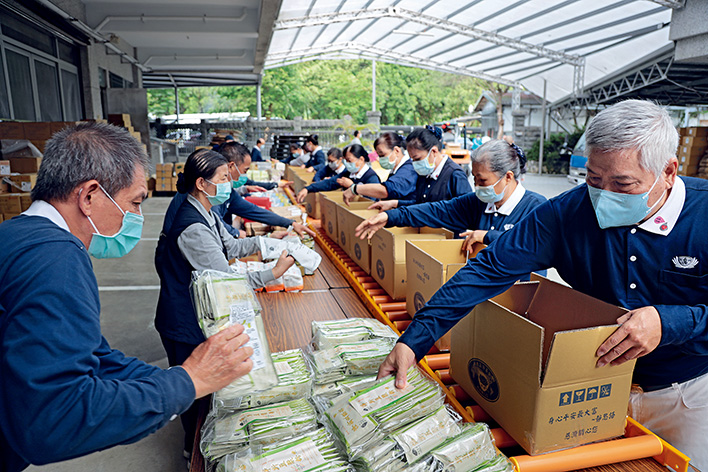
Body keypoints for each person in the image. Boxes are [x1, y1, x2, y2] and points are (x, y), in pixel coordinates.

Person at [377, 100, 708, 469]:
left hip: (684, 393)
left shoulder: (703, 216)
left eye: (622, 184)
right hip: (590, 386)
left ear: (668, 171)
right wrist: (414, 339)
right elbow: (488, 269)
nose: (604, 195)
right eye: (594, 179)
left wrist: (670, 322)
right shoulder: (568, 213)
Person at [0, 123, 254, 472]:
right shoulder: (56, 260)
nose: (137, 217)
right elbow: (54, 420)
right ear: (89, 196)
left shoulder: (16, 234)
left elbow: (94, 355)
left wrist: (180, 377)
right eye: (134, 203)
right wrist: (187, 382)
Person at [154, 149, 296, 457]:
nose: (228, 183)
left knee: (205, 389)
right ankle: (193, 452)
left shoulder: (206, 212)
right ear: (202, 183)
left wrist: (270, 243)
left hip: (192, 311)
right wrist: (272, 273)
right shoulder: (193, 227)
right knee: (195, 393)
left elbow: (231, 245)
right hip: (183, 321)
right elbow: (226, 282)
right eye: (222, 178)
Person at [355, 139, 546, 250]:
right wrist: (390, 216)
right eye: (474, 179)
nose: (477, 186)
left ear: (508, 177)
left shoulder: (537, 208)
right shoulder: (477, 203)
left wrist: (488, 236)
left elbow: (531, 247)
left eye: (482, 180)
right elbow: (435, 210)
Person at [163, 142, 314, 239]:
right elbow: (218, 230)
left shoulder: (223, 191)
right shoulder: (207, 194)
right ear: (230, 166)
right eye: (245, 170)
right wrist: (239, 234)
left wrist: (290, 223)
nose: (245, 176)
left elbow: (252, 210)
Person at [369, 126, 471, 212]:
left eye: (417, 159)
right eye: (412, 160)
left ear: (434, 151)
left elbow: (466, 210)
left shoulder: (455, 175)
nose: (415, 164)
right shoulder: (424, 174)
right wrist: (395, 203)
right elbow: (420, 204)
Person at [342, 132, 417, 205]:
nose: (380, 159)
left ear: (396, 151)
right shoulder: (395, 170)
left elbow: (388, 190)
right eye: (379, 156)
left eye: (382, 155)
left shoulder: (409, 170)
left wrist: (355, 189)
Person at [296, 144, 380, 203]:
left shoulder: (371, 178)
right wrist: (308, 189)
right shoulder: (348, 173)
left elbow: (369, 201)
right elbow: (329, 183)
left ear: (361, 159)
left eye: (349, 161)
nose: (347, 164)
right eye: (345, 161)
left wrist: (352, 187)